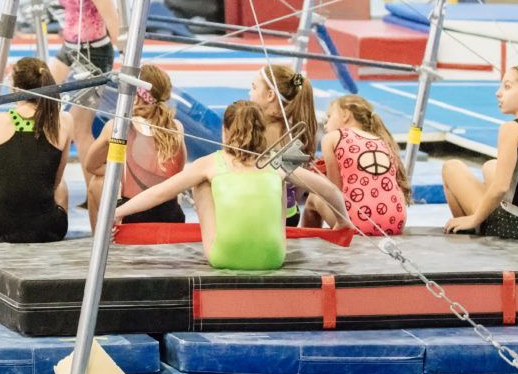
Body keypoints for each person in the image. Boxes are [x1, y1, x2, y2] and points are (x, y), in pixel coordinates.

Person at [115, 101, 349, 271]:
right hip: (272, 258)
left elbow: (160, 192)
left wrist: (117, 213)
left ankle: (232, 236)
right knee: (277, 183)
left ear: (225, 131)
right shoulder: (278, 162)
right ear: (263, 131)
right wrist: (342, 222)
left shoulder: (210, 163)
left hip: (224, 256)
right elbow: (328, 190)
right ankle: (263, 237)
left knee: (203, 185)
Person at [34, 0, 120, 192]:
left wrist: (124, 56)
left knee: (80, 129)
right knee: (38, 99)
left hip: (94, 53)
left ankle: (94, 191)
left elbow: (113, 19)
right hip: (70, 47)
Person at [442, 63, 518, 240]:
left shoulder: (512, 129)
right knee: (491, 166)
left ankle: (468, 229)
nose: (498, 92)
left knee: (451, 167)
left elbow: (501, 187)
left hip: (513, 226)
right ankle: (475, 221)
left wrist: (474, 219)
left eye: (507, 86)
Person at [0, 57, 73, 242]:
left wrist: (11, 173)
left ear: (14, 88)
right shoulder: (63, 120)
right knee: (62, 186)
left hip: (0, 228)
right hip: (50, 229)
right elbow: (55, 181)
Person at [84, 64, 186, 230]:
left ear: (134, 96)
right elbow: (177, 173)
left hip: (131, 216)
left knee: (96, 183)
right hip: (171, 216)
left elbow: (91, 166)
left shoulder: (117, 126)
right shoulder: (177, 127)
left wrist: (119, 171)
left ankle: (100, 242)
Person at [304, 95, 410, 235]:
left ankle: (305, 243)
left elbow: (334, 191)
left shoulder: (332, 137)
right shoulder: (383, 141)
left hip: (357, 224)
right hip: (395, 222)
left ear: (345, 115)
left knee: (313, 198)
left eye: (329, 117)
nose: (326, 124)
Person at [249, 64, 318, 225]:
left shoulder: (257, 127)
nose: (249, 92)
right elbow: (298, 187)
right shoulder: (300, 131)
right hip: (290, 214)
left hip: (261, 215)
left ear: (270, 95)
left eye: (253, 87)